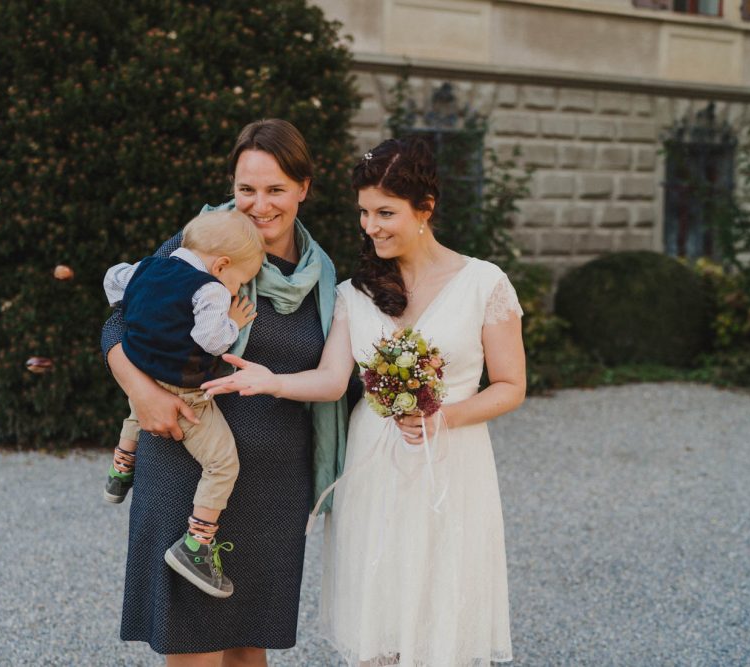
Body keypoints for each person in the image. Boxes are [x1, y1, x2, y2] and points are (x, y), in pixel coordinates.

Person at [202, 137, 526, 666]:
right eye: (364, 213)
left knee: (441, 610)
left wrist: (443, 417)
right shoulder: (354, 292)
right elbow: (333, 380)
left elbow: (511, 385)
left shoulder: (483, 283)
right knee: (378, 621)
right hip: (372, 465)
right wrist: (270, 381)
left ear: (425, 208)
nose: (370, 226)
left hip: (451, 464)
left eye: (385, 213)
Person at [100, 119, 347, 666]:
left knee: (248, 649)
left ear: (304, 188)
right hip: (188, 468)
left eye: (276, 189)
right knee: (193, 648)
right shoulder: (204, 241)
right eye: (246, 189)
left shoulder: (323, 275)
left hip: (275, 484)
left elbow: (333, 374)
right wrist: (142, 394)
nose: (259, 205)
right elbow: (117, 325)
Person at [101, 209, 263, 599]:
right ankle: (196, 545)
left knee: (136, 409)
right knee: (222, 463)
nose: (237, 288)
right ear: (221, 265)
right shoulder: (209, 289)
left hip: (143, 373)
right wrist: (233, 322)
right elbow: (211, 340)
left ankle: (120, 471)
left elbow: (112, 281)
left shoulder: (146, 267)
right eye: (239, 281)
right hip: (183, 390)